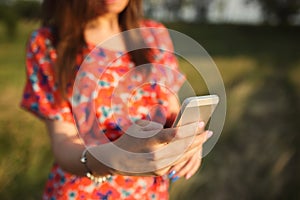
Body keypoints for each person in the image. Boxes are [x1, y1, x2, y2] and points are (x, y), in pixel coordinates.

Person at [20, 0, 213, 199]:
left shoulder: (154, 34)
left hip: (149, 193)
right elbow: (63, 143)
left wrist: (187, 142)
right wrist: (112, 159)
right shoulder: (47, 43)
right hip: (82, 192)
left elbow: (172, 112)